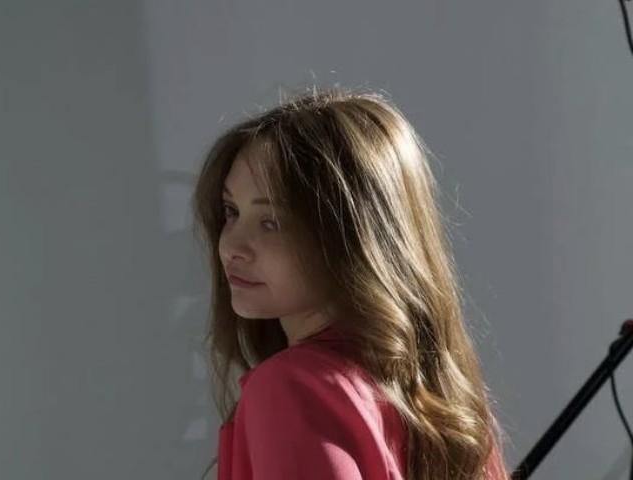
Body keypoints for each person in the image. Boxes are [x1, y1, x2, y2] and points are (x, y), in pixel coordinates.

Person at [192, 85, 511, 479]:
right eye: (231, 211)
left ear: (350, 239)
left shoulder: (290, 389)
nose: (231, 246)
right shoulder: (442, 400)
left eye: (270, 222)